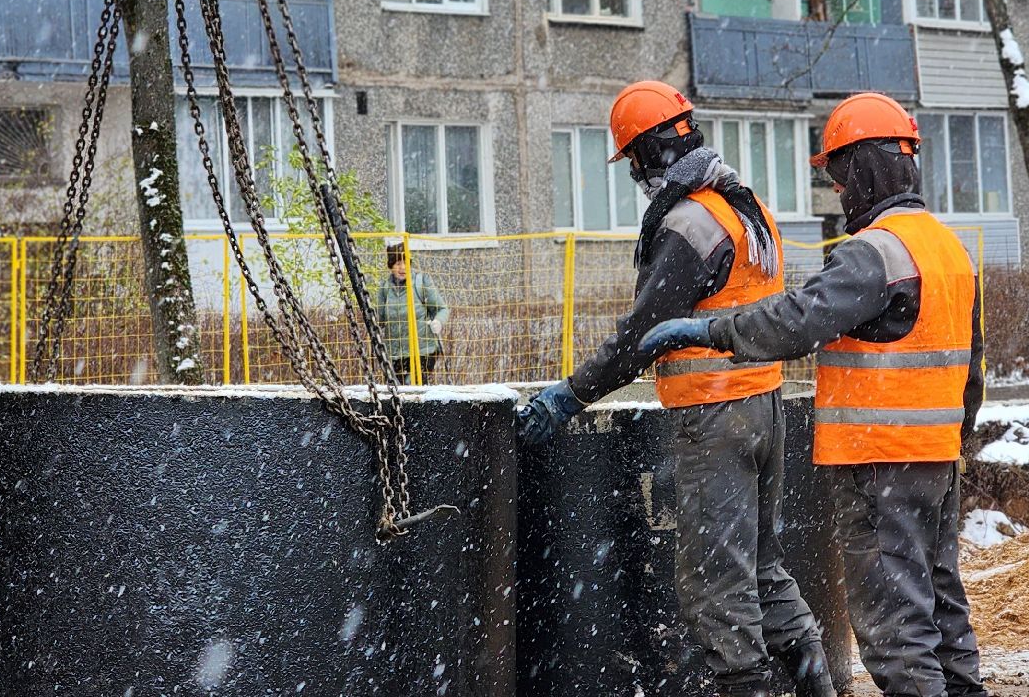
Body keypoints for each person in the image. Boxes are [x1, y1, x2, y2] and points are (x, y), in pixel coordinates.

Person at [634, 92, 987, 697]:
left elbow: (797, 319)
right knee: (941, 604)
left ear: (864, 167)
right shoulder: (948, 249)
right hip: (934, 460)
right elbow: (972, 371)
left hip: (878, 461)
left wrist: (709, 331)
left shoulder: (875, 252)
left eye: (839, 177)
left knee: (896, 625)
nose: (840, 192)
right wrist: (952, 443)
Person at [517, 80, 836, 697]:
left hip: (715, 418)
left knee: (716, 581)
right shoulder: (742, 206)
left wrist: (569, 395)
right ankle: (817, 685)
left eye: (633, 161)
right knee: (761, 568)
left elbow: (643, 336)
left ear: (649, 151)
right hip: (764, 407)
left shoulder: (688, 224)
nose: (635, 175)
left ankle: (746, 686)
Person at [377, 241, 448, 383]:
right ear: (391, 266)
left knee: (414, 387)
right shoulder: (385, 288)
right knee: (399, 390)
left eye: (406, 263)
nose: (402, 267)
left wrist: (438, 322)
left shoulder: (421, 282)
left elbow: (442, 309)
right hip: (396, 353)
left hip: (422, 350)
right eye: (398, 263)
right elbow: (380, 320)